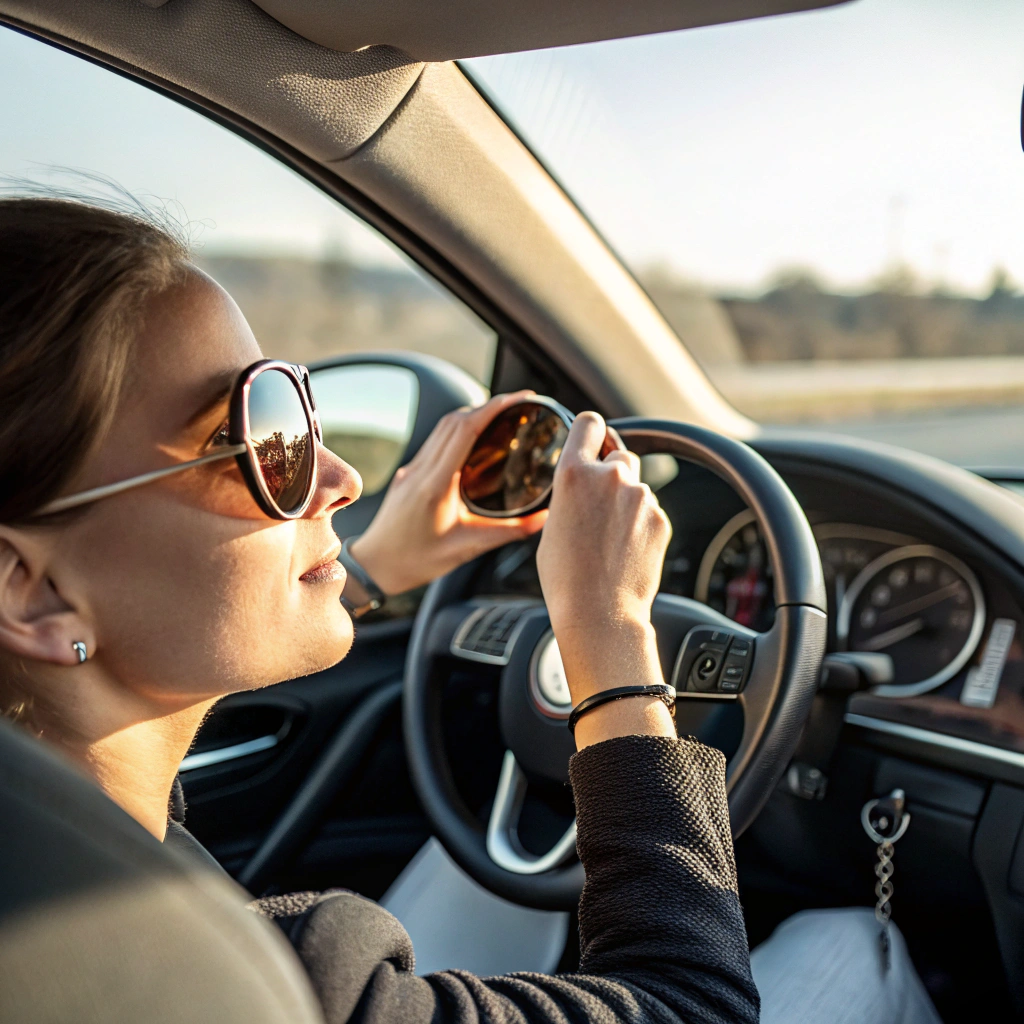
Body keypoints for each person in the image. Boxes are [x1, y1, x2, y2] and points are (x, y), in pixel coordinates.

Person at [0, 195, 940, 1024]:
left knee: (485, 872)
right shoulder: (261, 981)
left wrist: (362, 570)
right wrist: (611, 638)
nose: (341, 476)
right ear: (29, 589)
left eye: (298, 410)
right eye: (254, 444)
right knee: (855, 948)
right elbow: (691, 1005)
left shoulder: (48, 846)